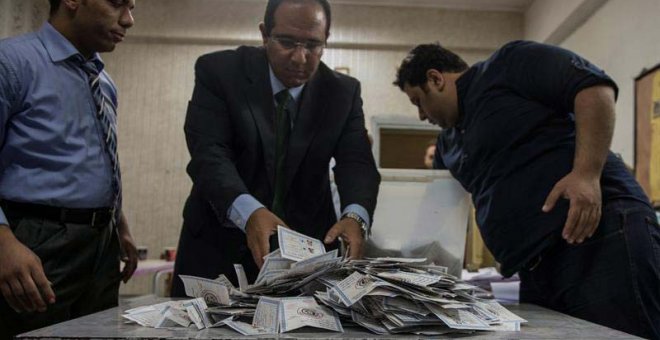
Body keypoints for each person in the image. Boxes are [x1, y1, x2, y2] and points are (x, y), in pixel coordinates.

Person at [394, 41, 660, 338]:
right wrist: (403, 265)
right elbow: (437, 209)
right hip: (535, 268)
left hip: (599, 239)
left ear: (435, 79)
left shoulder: (507, 66)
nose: (420, 115)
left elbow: (594, 88)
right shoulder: (448, 145)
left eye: (418, 101)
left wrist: (586, 174)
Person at [171, 0, 380, 296]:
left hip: (304, 259)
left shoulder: (342, 92)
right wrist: (250, 212)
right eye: (286, 42)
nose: (300, 58)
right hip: (219, 249)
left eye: (313, 45)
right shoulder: (219, 72)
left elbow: (356, 163)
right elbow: (209, 153)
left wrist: (356, 216)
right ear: (264, 34)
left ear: (326, 40)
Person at [0, 0, 138, 338]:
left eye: (132, 7)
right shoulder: (12, 62)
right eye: (118, 3)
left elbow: (96, 158)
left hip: (101, 244)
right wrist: (2, 243)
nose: (129, 20)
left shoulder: (102, 80)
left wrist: (119, 225)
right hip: (36, 241)